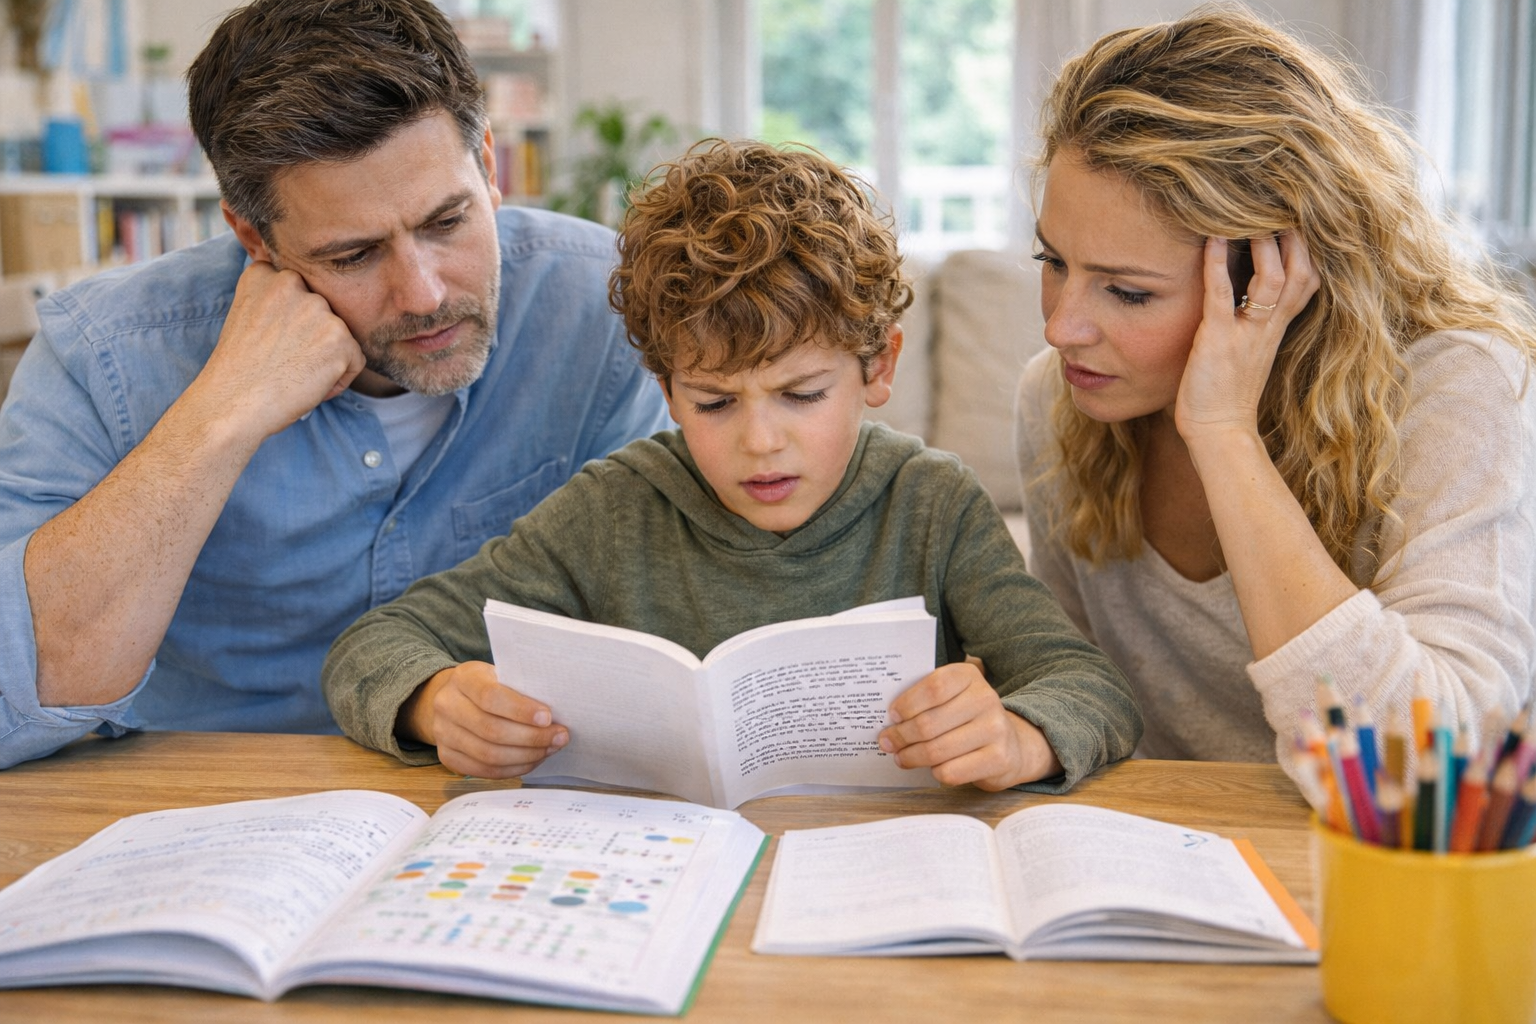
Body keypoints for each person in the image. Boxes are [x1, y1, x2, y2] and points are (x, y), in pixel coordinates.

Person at [323, 139, 1140, 792]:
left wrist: (1018, 736)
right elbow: (377, 644)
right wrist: (435, 702)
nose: (761, 441)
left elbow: (1085, 685)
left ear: (877, 367)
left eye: (802, 394)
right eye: (715, 402)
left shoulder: (931, 506)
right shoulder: (613, 509)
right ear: (667, 392)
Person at [0, 0, 669, 770]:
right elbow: (20, 698)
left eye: (448, 220)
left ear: (487, 163)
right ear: (255, 238)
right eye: (354, 256)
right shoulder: (105, 357)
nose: (422, 293)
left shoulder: (601, 306)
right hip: (210, 803)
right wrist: (221, 414)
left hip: (504, 802)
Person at [1013, 7, 1536, 769]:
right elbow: (1077, 684)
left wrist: (1225, 436)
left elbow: (1427, 764)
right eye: (1053, 262)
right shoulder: (1058, 400)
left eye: (1126, 293)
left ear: (1272, 278)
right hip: (1176, 850)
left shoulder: (1455, 388)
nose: (1062, 328)